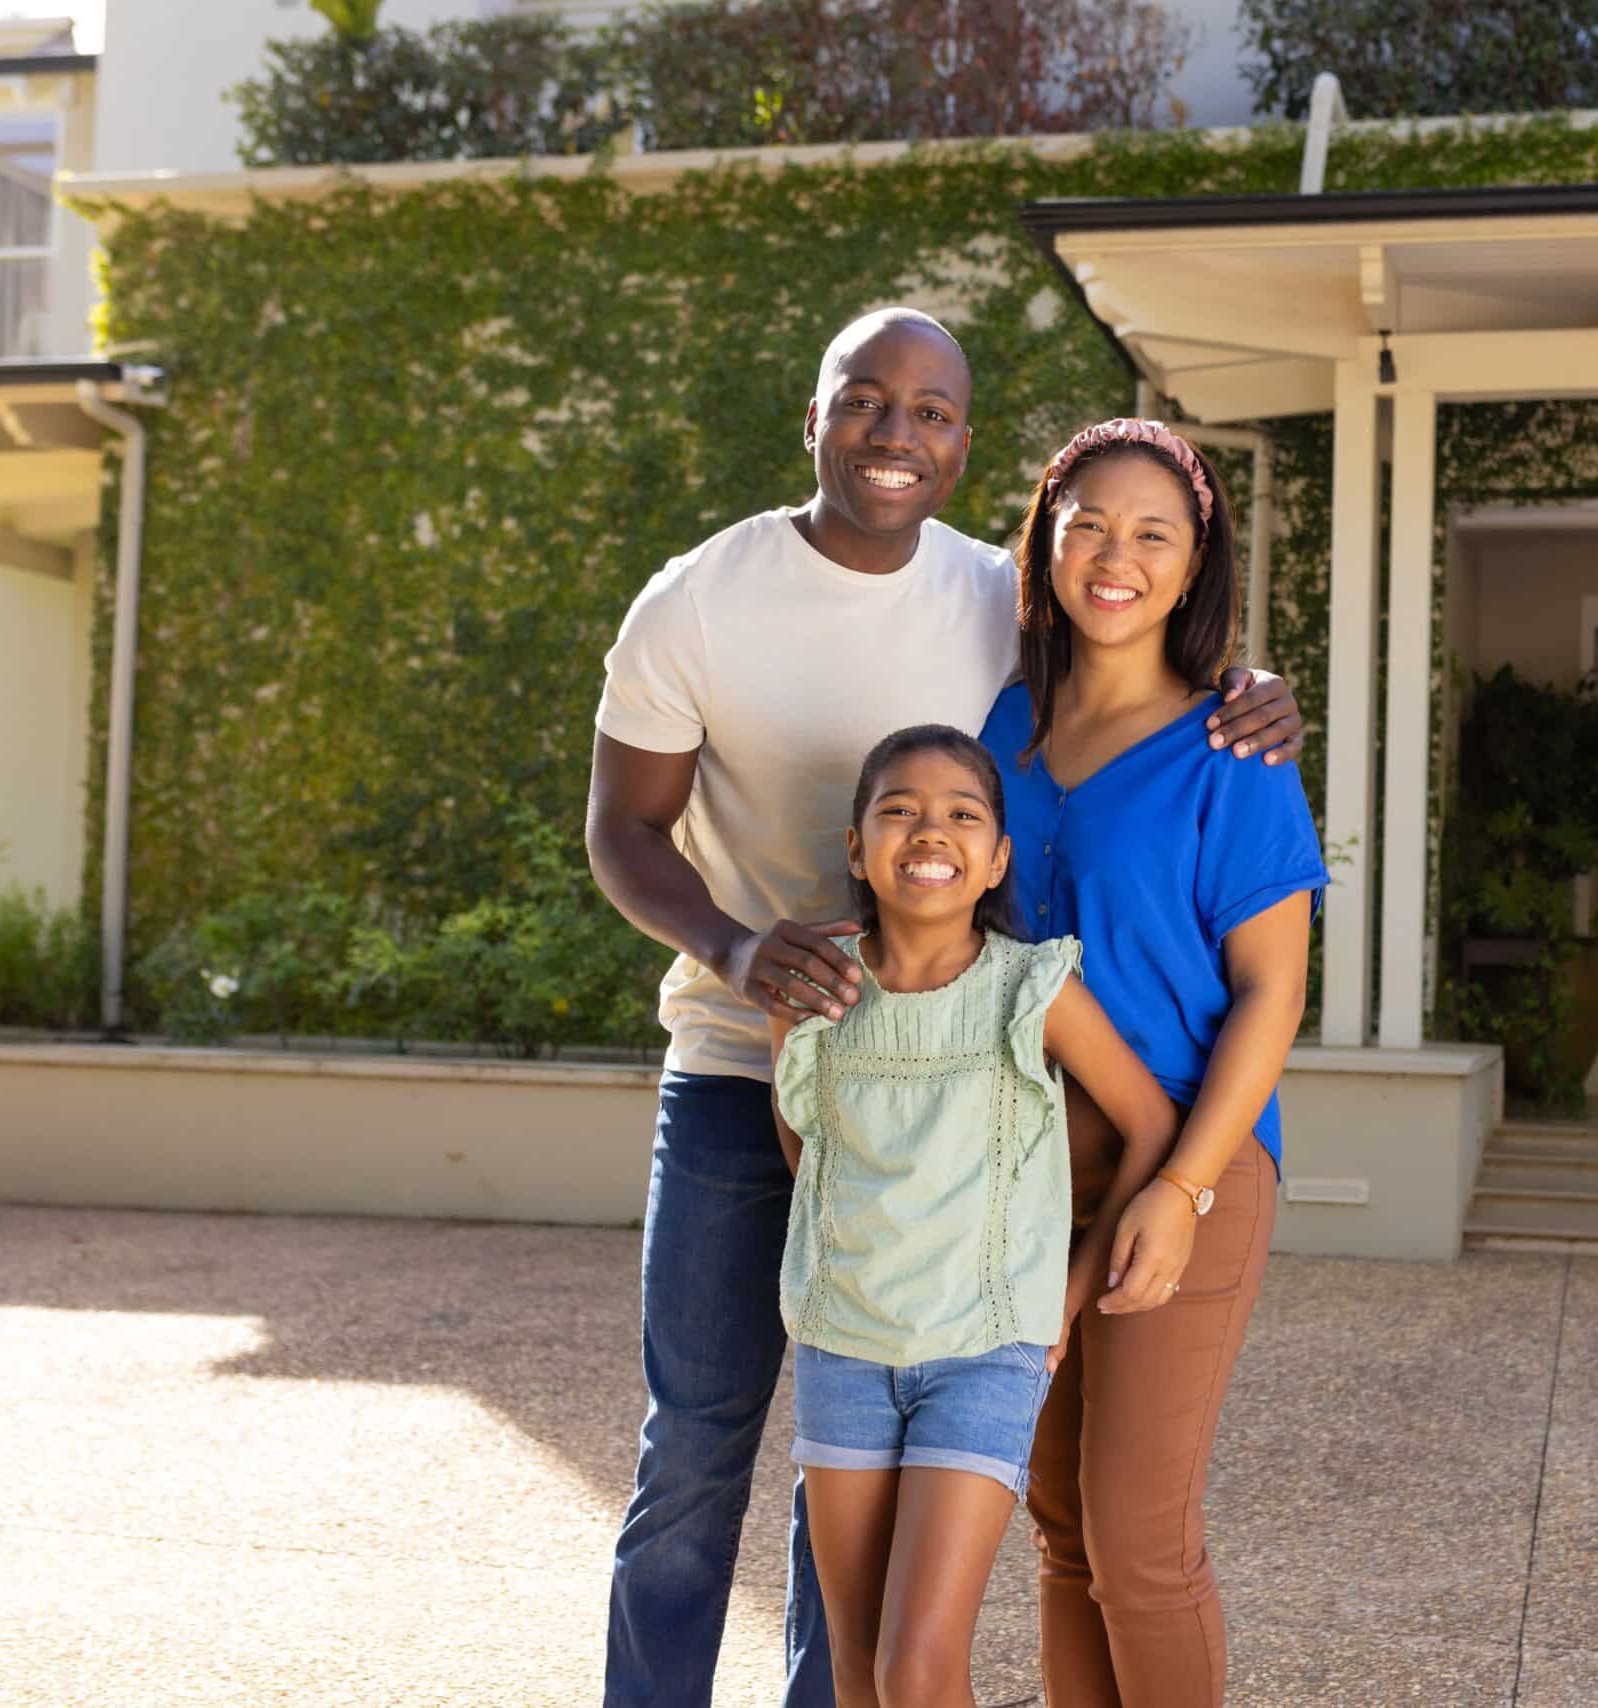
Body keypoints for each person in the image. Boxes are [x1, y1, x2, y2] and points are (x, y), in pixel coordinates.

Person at [584, 308, 1304, 1708]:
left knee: (1062, 1519)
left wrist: (1253, 686)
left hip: (1069, 1131)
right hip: (840, 1100)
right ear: (815, 415)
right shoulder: (737, 609)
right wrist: (740, 957)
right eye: (867, 400)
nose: (898, 434)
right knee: (736, 1456)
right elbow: (623, 832)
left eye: (933, 412)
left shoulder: (1083, 652)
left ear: (967, 444)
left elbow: (1267, 961)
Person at [979, 419, 1328, 1706]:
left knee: (1138, 1538)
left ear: (1193, 568)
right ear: (1047, 547)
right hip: (1025, 1166)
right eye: (1088, 526)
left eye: (1151, 534)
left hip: (1189, 1160)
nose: (1114, 557)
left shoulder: (1235, 752)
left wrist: (1180, 1192)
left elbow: (1271, 992)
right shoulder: (1005, 723)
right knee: (1062, 1526)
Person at [768, 724, 1185, 1708]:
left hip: (985, 1349)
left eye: (962, 812)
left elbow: (1150, 1123)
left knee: (917, 1668)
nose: (929, 829)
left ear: (997, 855)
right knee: (859, 1668)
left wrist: (1070, 1297)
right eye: (898, 809)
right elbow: (805, 1147)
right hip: (842, 1342)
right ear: (855, 846)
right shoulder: (810, 990)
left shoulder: (1030, 989)